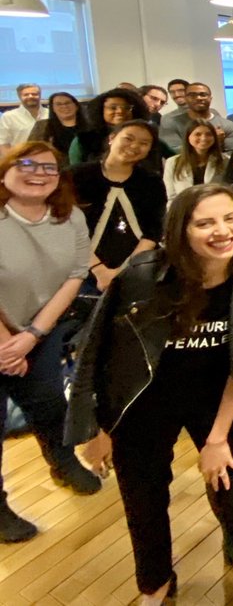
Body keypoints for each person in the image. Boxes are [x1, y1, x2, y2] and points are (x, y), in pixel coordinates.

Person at [67, 184, 233, 606]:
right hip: (144, 399)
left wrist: (217, 440)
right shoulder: (140, 275)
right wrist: (95, 426)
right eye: (205, 222)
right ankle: (154, 583)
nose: (223, 231)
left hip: (217, 399)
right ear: (181, 230)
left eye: (230, 218)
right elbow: (97, 353)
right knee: (143, 496)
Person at [0, 142, 102, 541]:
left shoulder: (70, 216)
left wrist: (33, 335)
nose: (38, 173)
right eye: (26, 164)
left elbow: (76, 275)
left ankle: (62, 462)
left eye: (49, 167)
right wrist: (9, 342)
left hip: (39, 330)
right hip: (5, 335)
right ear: (5, 171)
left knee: (47, 404)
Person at [70, 120, 166, 293]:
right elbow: (65, 226)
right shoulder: (76, 175)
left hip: (139, 268)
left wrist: (125, 270)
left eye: (144, 143)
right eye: (128, 138)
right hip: (81, 269)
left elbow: (153, 230)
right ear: (111, 138)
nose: (135, 146)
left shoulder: (152, 181)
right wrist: (99, 271)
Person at [69, 87, 152, 166]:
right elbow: (75, 172)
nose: (120, 111)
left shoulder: (149, 137)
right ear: (101, 110)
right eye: (113, 107)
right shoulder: (83, 140)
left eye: (127, 108)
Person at [158, 83, 233, 154]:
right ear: (186, 99)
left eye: (203, 95)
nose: (198, 98)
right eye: (192, 95)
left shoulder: (228, 125)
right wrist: (214, 142)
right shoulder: (171, 122)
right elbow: (173, 152)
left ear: (210, 98)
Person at [163, 120, 227, 203]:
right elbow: (171, 197)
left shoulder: (225, 161)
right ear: (188, 137)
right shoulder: (172, 162)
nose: (203, 138)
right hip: (184, 211)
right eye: (198, 134)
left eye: (208, 134)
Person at [28, 91, 81, 157]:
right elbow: (31, 149)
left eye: (68, 103)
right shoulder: (42, 126)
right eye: (58, 104)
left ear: (76, 106)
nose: (64, 106)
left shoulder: (91, 124)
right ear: (52, 108)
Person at [0, 83, 47, 155]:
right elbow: (3, 143)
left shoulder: (50, 114)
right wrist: (11, 162)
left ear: (40, 95)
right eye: (26, 95)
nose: (30, 96)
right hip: (19, 159)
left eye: (34, 94)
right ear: (19, 97)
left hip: (48, 159)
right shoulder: (8, 117)